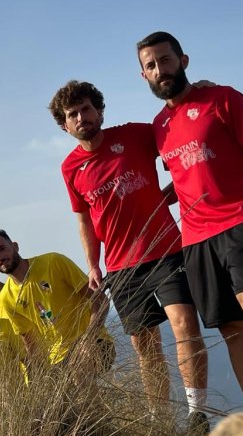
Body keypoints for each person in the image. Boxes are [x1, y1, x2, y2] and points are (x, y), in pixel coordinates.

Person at [137, 31, 243, 413]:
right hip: (195, 237)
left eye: (166, 59)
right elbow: (188, 171)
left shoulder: (224, 98)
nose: (161, 69)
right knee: (231, 327)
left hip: (242, 217)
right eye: (151, 65)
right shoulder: (159, 127)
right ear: (143, 75)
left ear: (184, 61)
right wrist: (161, 198)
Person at [50, 79, 211, 427]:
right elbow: (84, 220)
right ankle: (159, 420)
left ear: (100, 110)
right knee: (145, 348)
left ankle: (197, 413)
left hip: (167, 250)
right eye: (72, 114)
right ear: (64, 125)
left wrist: (197, 92)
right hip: (122, 266)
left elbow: (178, 130)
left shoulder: (137, 134)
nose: (82, 117)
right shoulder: (70, 168)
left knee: (185, 325)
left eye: (87, 109)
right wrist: (93, 265)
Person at [0, 230, 114, 370]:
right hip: (58, 358)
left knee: (78, 372)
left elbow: (99, 299)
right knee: (60, 388)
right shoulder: (6, 299)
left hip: (95, 340)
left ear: (15, 246)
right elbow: (30, 343)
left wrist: (88, 338)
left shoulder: (53, 262)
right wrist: (40, 377)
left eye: (2, 249)